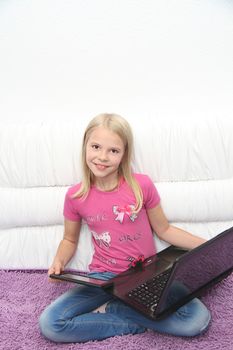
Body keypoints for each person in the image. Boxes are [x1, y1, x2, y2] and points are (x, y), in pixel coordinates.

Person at [39, 113, 211, 343]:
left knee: (196, 321)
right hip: (104, 280)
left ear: (124, 154)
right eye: (96, 147)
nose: (102, 157)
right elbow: (69, 240)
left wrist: (208, 246)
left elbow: (165, 230)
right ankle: (132, 320)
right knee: (51, 323)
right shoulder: (75, 196)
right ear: (85, 147)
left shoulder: (141, 185)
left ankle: (119, 310)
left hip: (147, 276)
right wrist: (59, 262)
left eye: (113, 150)